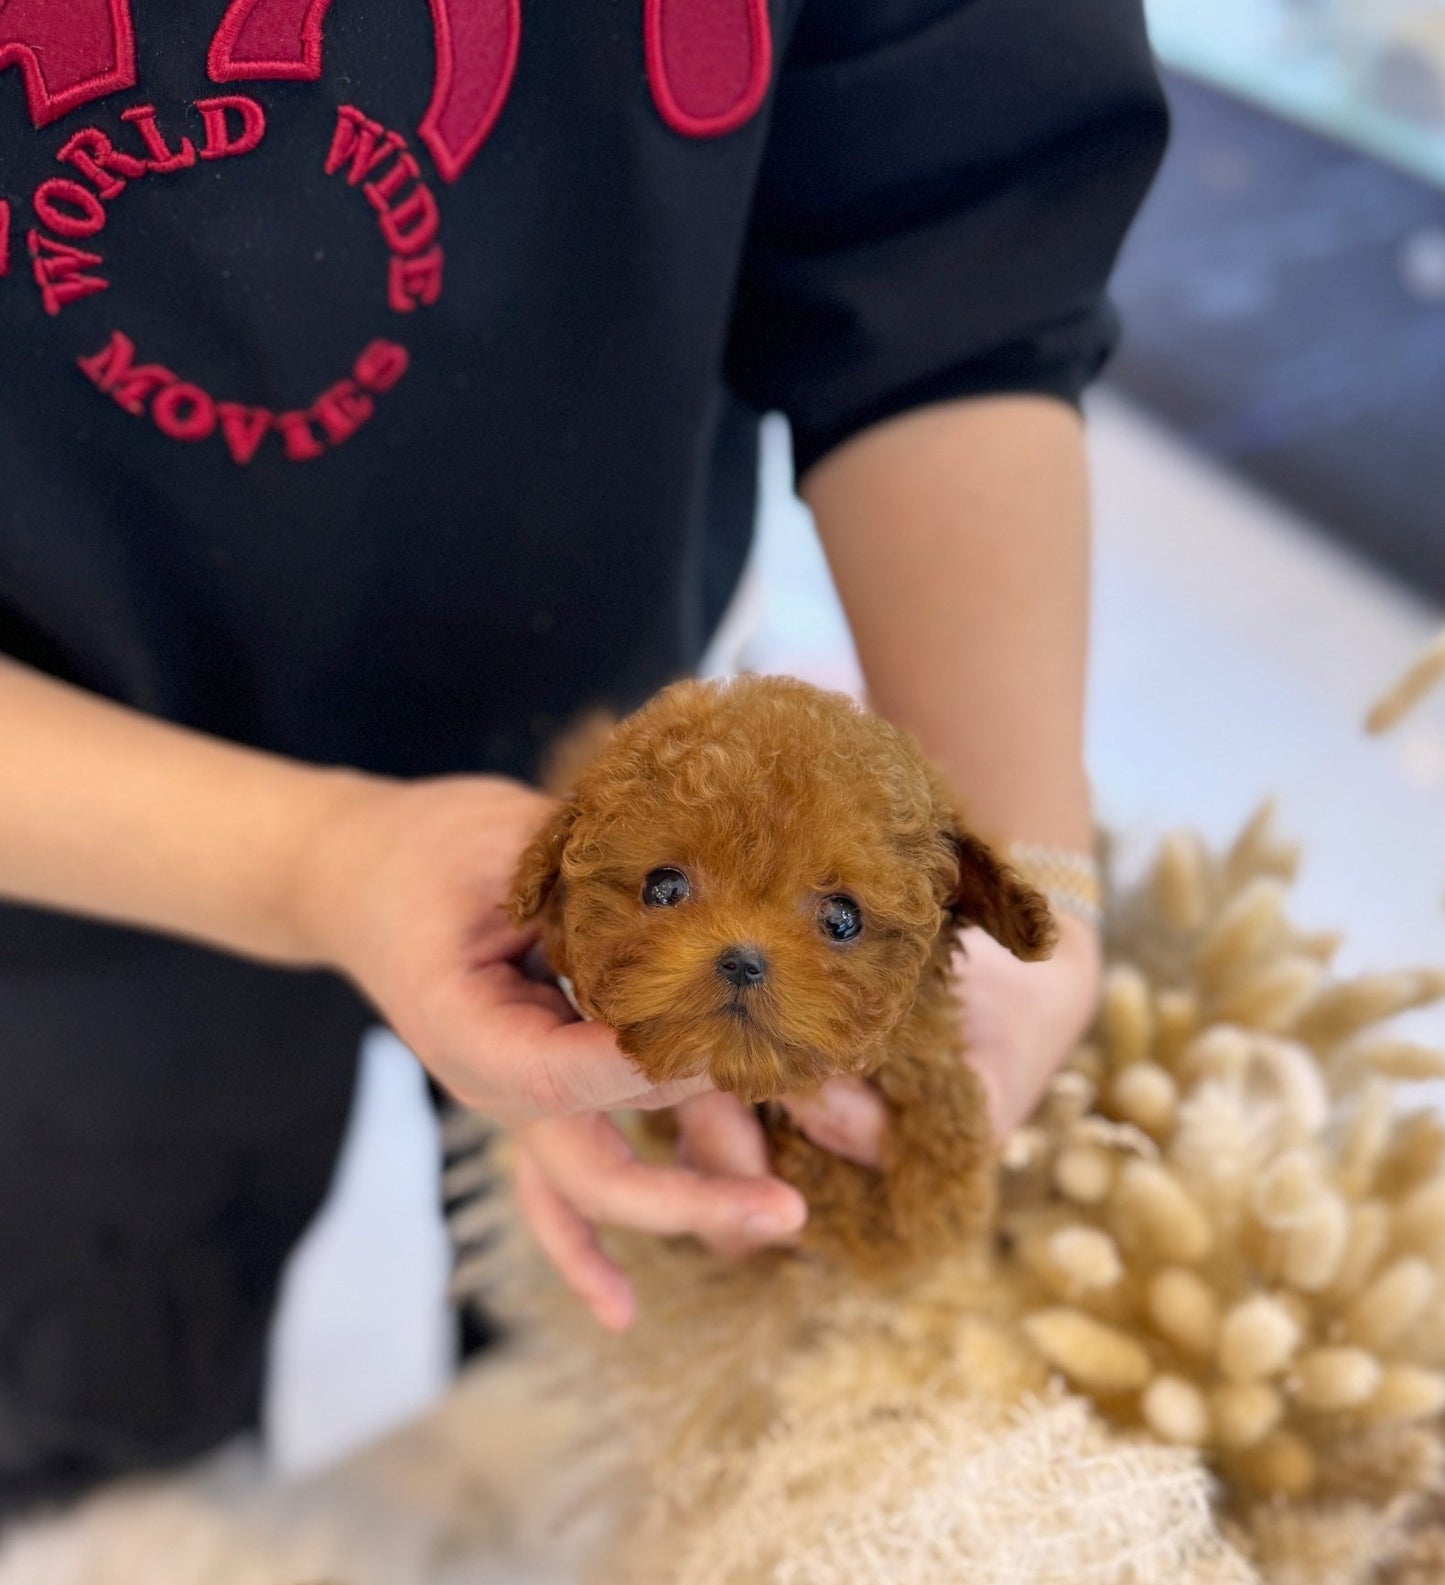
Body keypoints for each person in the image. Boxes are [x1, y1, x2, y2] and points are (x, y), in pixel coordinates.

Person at [0, 0, 1168, 1508]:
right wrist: (310, 858)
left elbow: (953, 256)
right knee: (105, 1407)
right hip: (70, 853)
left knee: (599, 1335)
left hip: (602, 743)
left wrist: (1032, 868)